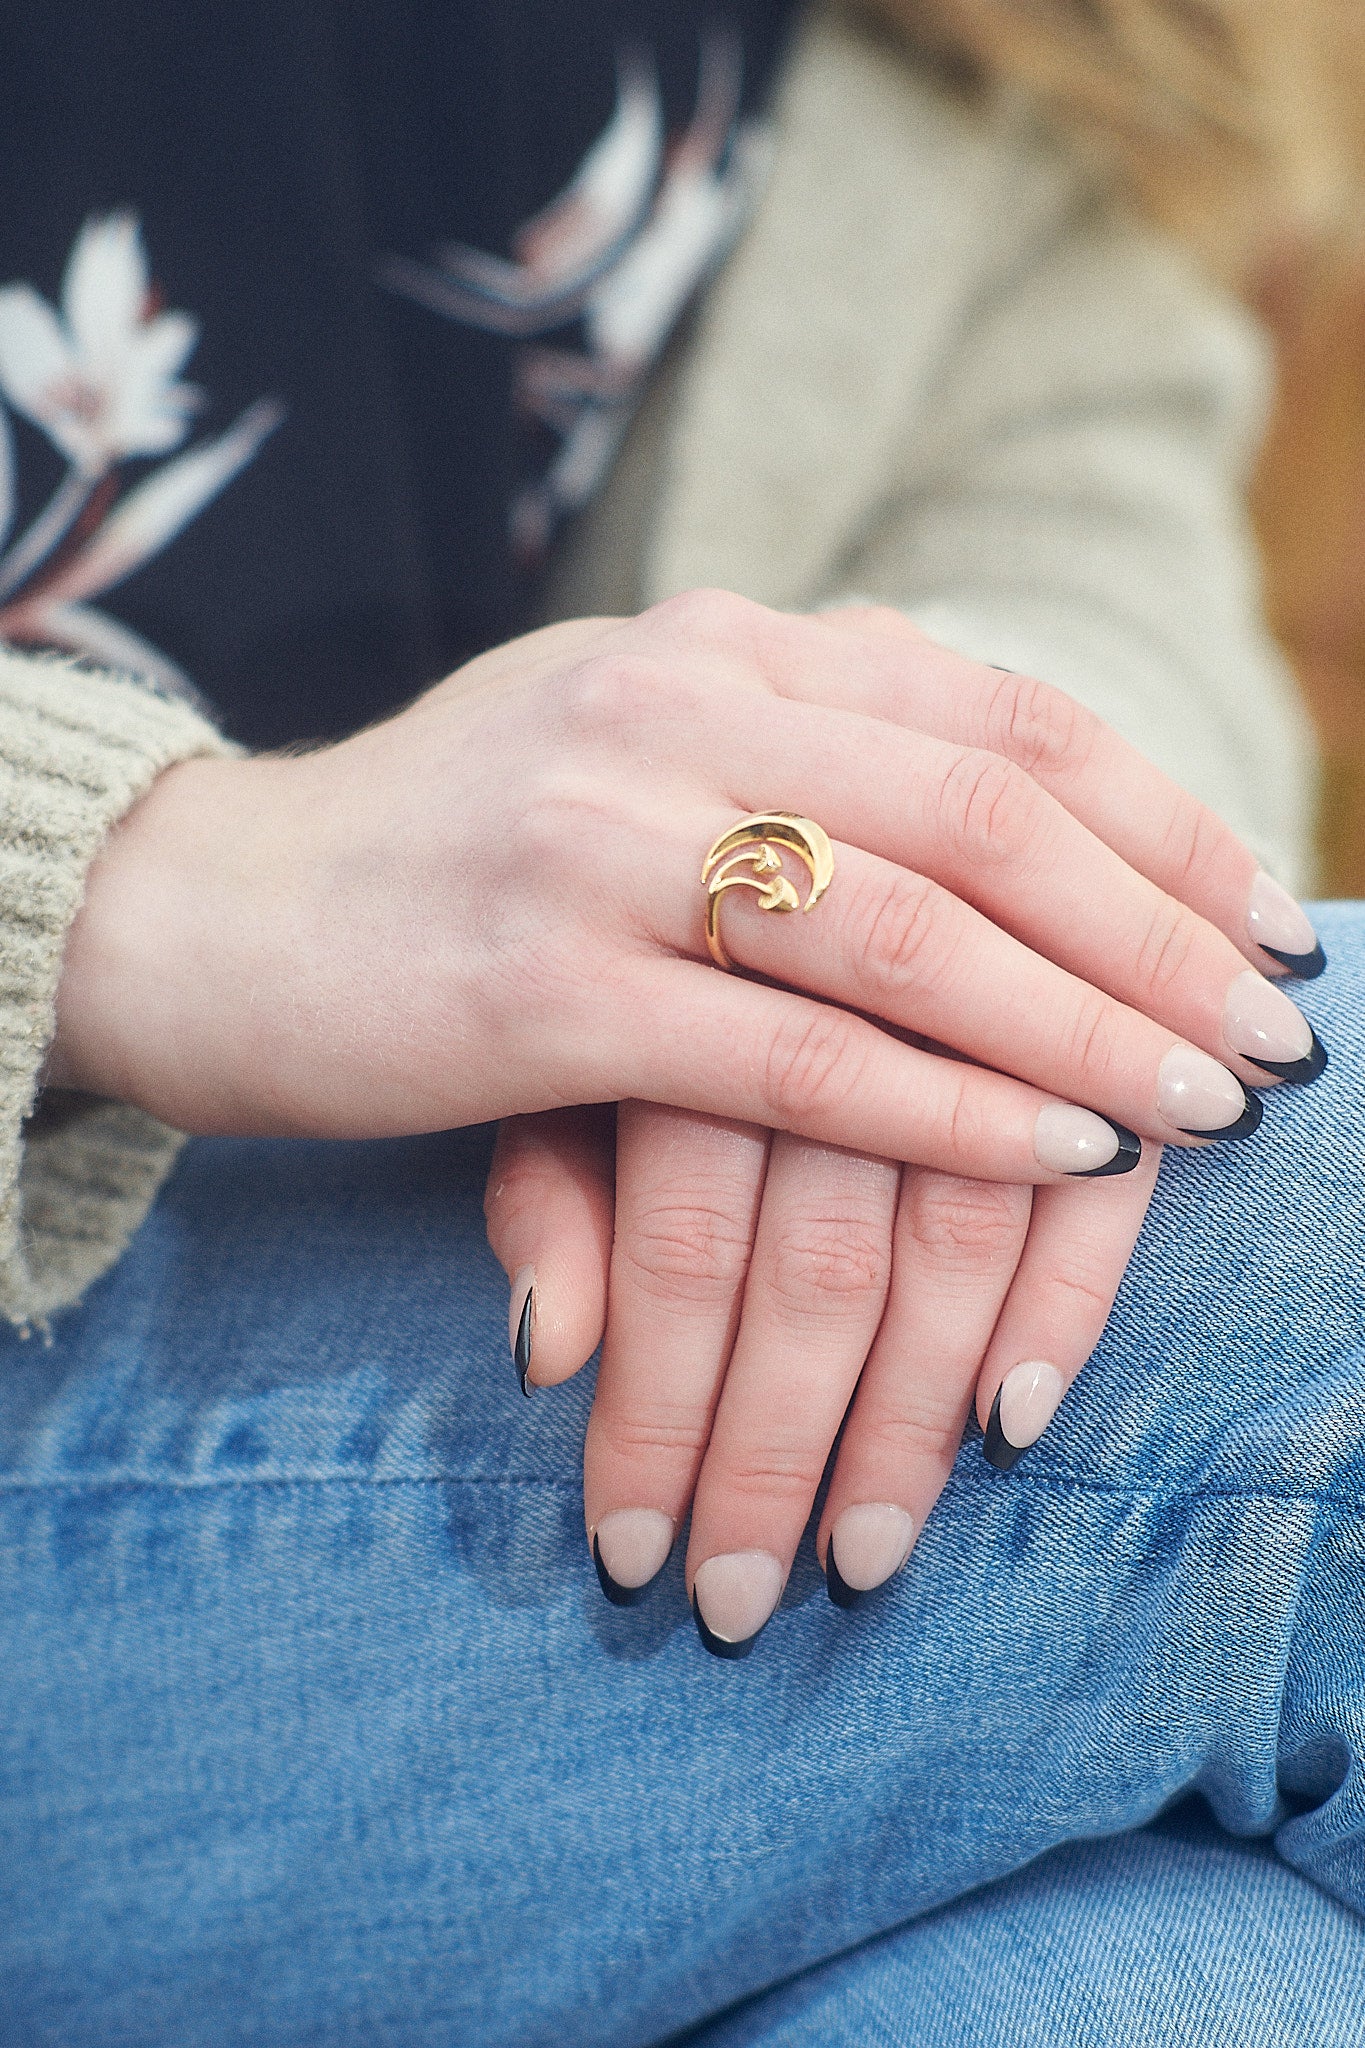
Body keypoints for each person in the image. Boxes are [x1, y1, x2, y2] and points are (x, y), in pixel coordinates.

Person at [0, 2, 1362, 2042]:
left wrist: (824, 892)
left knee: (1162, 1991)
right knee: (1311, 1243)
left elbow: (1084, 546)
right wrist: (154, 891)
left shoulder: (993, 52)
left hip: (474, 1323)